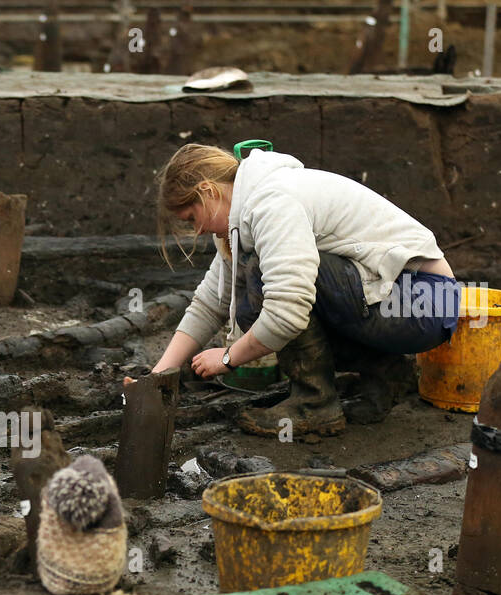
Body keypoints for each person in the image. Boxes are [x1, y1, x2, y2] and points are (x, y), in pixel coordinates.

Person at [142, 143, 464, 436]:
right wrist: (160, 374)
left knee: (270, 280)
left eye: (192, 217)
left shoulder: (272, 203)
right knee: (267, 276)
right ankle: (384, 371)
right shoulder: (246, 215)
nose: (197, 229)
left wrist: (228, 358)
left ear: (207, 190)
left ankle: (314, 405)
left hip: (424, 301)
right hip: (414, 301)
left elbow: (287, 311)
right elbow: (211, 301)